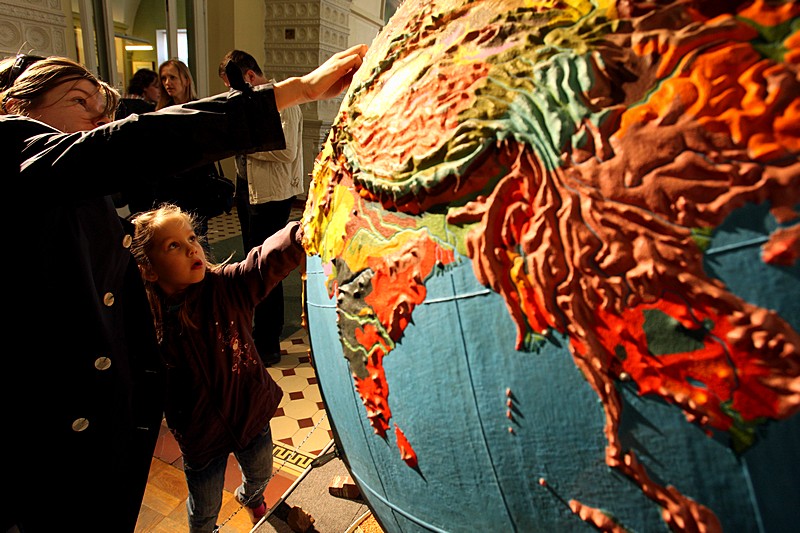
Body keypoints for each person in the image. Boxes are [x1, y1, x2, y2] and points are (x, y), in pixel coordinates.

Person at [0, 44, 367, 533]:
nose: (95, 121)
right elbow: (136, 141)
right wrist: (295, 91)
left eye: (100, 108)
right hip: (82, 454)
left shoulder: (214, 287)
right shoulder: (15, 151)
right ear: (15, 108)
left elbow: (259, 264)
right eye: (78, 100)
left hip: (114, 451)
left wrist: (310, 221)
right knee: (203, 507)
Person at [130, 203, 304, 532]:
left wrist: (297, 235)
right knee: (204, 508)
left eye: (192, 238)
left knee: (261, 473)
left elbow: (262, 262)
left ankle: (251, 497)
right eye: (173, 246)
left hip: (250, 414)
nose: (191, 248)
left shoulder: (226, 288)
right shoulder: (148, 327)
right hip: (200, 438)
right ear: (149, 270)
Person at [218, 49, 304, 366]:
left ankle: (268, 340)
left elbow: (286, 153)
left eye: (233, 85)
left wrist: (245, 145)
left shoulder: (283, 100)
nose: (231, 93)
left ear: (249, 76)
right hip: (248, 191)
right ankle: (257, 333)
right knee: (252, 263)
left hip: (272, 194)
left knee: (269, 266)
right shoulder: (248, 102)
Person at [150, 58, 225, 238]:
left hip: (195, 184)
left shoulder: (199, 109)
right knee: (172, 235)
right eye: (164, 78)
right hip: (169, 185)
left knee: (197, 236)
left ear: (186, 80)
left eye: (173, 78)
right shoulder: (160, 112)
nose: (168, 83)